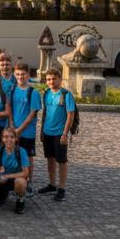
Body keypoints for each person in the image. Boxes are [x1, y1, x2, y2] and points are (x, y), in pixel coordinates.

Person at [39, 67, 76, 202]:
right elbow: (45, 113)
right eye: (48, 79)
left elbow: (70, 115)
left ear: (60, 79)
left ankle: (61, 188)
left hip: (60, 133)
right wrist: (42, 131)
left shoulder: (66, 95)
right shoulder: (47, 93)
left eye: (54, 79)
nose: (51, 81)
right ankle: (52, 184)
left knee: (61, 160)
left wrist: (65, 133)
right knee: (50, 158)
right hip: (47, 132)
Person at [9, 62, 43, 191]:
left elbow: (31, 115)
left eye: (23, 74)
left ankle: (29, 181)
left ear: (28, 75)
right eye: (18, 74)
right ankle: (17, 179)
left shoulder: (33, 93)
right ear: (15, 74)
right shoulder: (12, 90)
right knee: (15, 156)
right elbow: (10, 110)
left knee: (28, 157)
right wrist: (12, 126)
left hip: (27, 131)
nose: (20, 76)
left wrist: (19, 130)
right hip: (13, 130)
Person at [0, 127, 31, 213]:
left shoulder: (21, 151)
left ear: (16, 139)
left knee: (21, 182)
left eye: (12, 137)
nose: (9, 139)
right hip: (2, 179)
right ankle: (3, 194)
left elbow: (26, 173)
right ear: (2, 138)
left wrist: (6, 176)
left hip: (15, 179)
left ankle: (20, 199)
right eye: (6, 137)